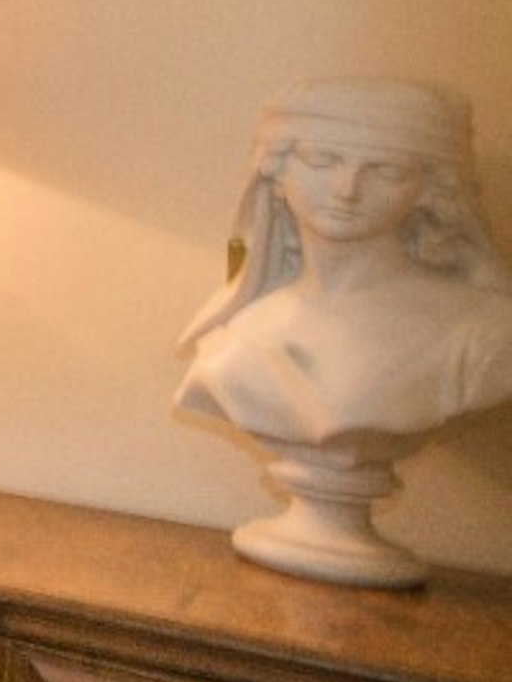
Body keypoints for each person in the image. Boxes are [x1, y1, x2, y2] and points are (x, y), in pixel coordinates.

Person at [175, 78, 512, 452]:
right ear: (277, 171)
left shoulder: (482, 331)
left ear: (427, 190)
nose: (347, 189)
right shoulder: (242, 329)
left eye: (386, 171)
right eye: (322, 160)